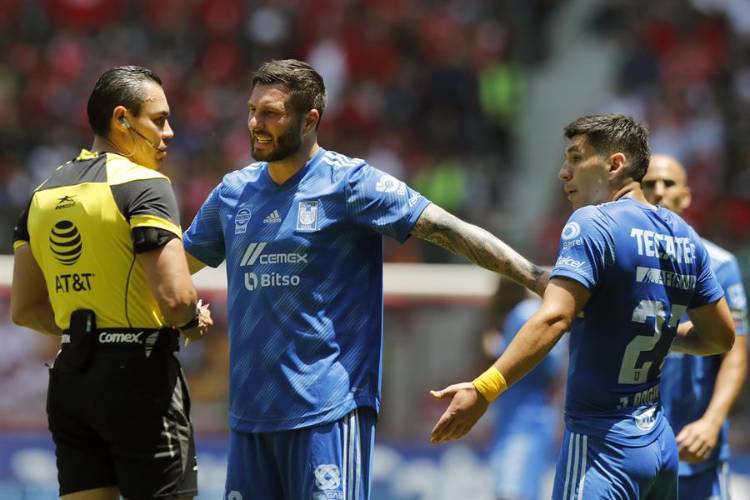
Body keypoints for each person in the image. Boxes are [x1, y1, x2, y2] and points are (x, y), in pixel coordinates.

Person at [182, 58, 548, 500]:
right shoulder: (233, 192)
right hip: (249, 418)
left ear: (310, 120)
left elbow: (450, 230)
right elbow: (175, 269)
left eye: (271, 113)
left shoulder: (349, 184)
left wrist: (534, 276)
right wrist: (178, 306)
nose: (255, 124)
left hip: (328, 412)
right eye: (252, 110)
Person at [430, 114, 736, 499]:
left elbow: (555, 318)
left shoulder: (592, 223)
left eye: (576, 158)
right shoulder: (685, 236)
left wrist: (484, 389)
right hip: (658, 445)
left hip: (602, 446)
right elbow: (720, 338)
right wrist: (653, 331)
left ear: (615, 164)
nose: (564, 172)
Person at [10, 66, 212, 500]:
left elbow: (24, 309)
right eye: (159, 119)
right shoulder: (146, 185)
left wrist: (92, 332)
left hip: (71, 376)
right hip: (139, 377)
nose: (169, 132)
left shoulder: (41, 194)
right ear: (122, 119)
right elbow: (176, 297)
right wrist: (191, 319)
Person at [642, 154, 748, 500]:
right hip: (635, 450)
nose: (659, 191)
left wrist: (712, 422)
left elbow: (736, 354)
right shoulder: (621, 261)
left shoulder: (720, 265)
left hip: (696, 449)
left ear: (686, 196)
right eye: (649, 183)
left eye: (668, 183)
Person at [481, 279, 565, 500]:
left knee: (512, 491)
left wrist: (496, 348)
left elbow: (543, 366)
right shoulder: (538, 313)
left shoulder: (525, 314)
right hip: (522, 418)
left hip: (525, 421)